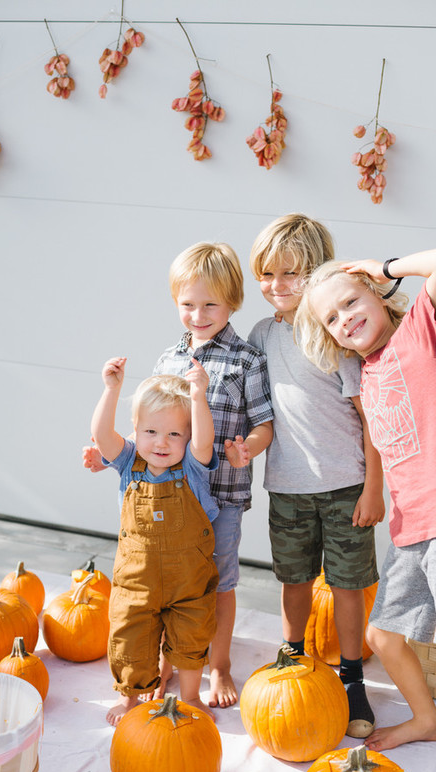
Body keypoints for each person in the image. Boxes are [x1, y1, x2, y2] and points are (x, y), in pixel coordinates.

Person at [294, 248, 436, 772]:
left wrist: (380, 269)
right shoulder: (367, 371)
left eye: (351, 302)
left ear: (376, 296)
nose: (345, 319)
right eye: (331, 319)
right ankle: (427, 720)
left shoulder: (418, 335)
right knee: (384, 636)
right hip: (414, 526)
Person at [84, 242, 274, 708]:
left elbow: (265, 424)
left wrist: (246, 448)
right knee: (169, 586)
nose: (198, 314)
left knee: (218, 583)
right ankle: (171, 662)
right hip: (167, 494)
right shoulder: (169, 358)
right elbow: (147, 421)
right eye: (188, 304)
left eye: (210, 304)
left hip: (222, 494)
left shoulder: (248, 360)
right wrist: (105, 452)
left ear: (232, 301)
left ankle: (220, 664)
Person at [240, 214, 385, 737]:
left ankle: (350, 677)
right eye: (267, 274)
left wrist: (374, 486)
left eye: (291, 274)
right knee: (294, 580)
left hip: (347, 486)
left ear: (317, 272)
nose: (277, 286)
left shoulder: (334, 335)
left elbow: (371, 417)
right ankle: (293, 655)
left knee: (348, 586)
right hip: (288, 487)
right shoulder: (259, 335)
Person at [91, 356, 220, 726]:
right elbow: (102, 436)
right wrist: (111, 389)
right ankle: (130, 698)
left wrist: (198, 396)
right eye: (150, 432)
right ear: (136, 430)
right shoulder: (127, 460)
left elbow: (205, 437)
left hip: (188, 581)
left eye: (174, 434)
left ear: (188, 437)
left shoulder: (193, 466)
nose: (161, 443)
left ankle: (192, 696)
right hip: (137, 580)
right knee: (129, 635)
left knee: (192, 637)